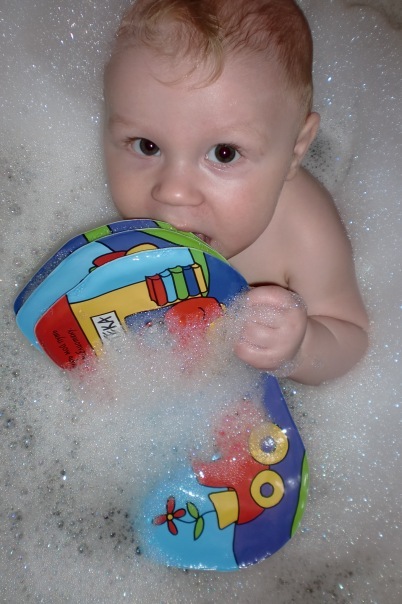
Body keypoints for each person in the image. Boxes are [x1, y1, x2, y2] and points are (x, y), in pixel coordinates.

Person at [103, 0, 369, 385]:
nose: (173, 193)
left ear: (296, 150)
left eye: (223, 154)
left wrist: (300, 347)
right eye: (147, 146)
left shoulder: (304, 235)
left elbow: (351, 337)